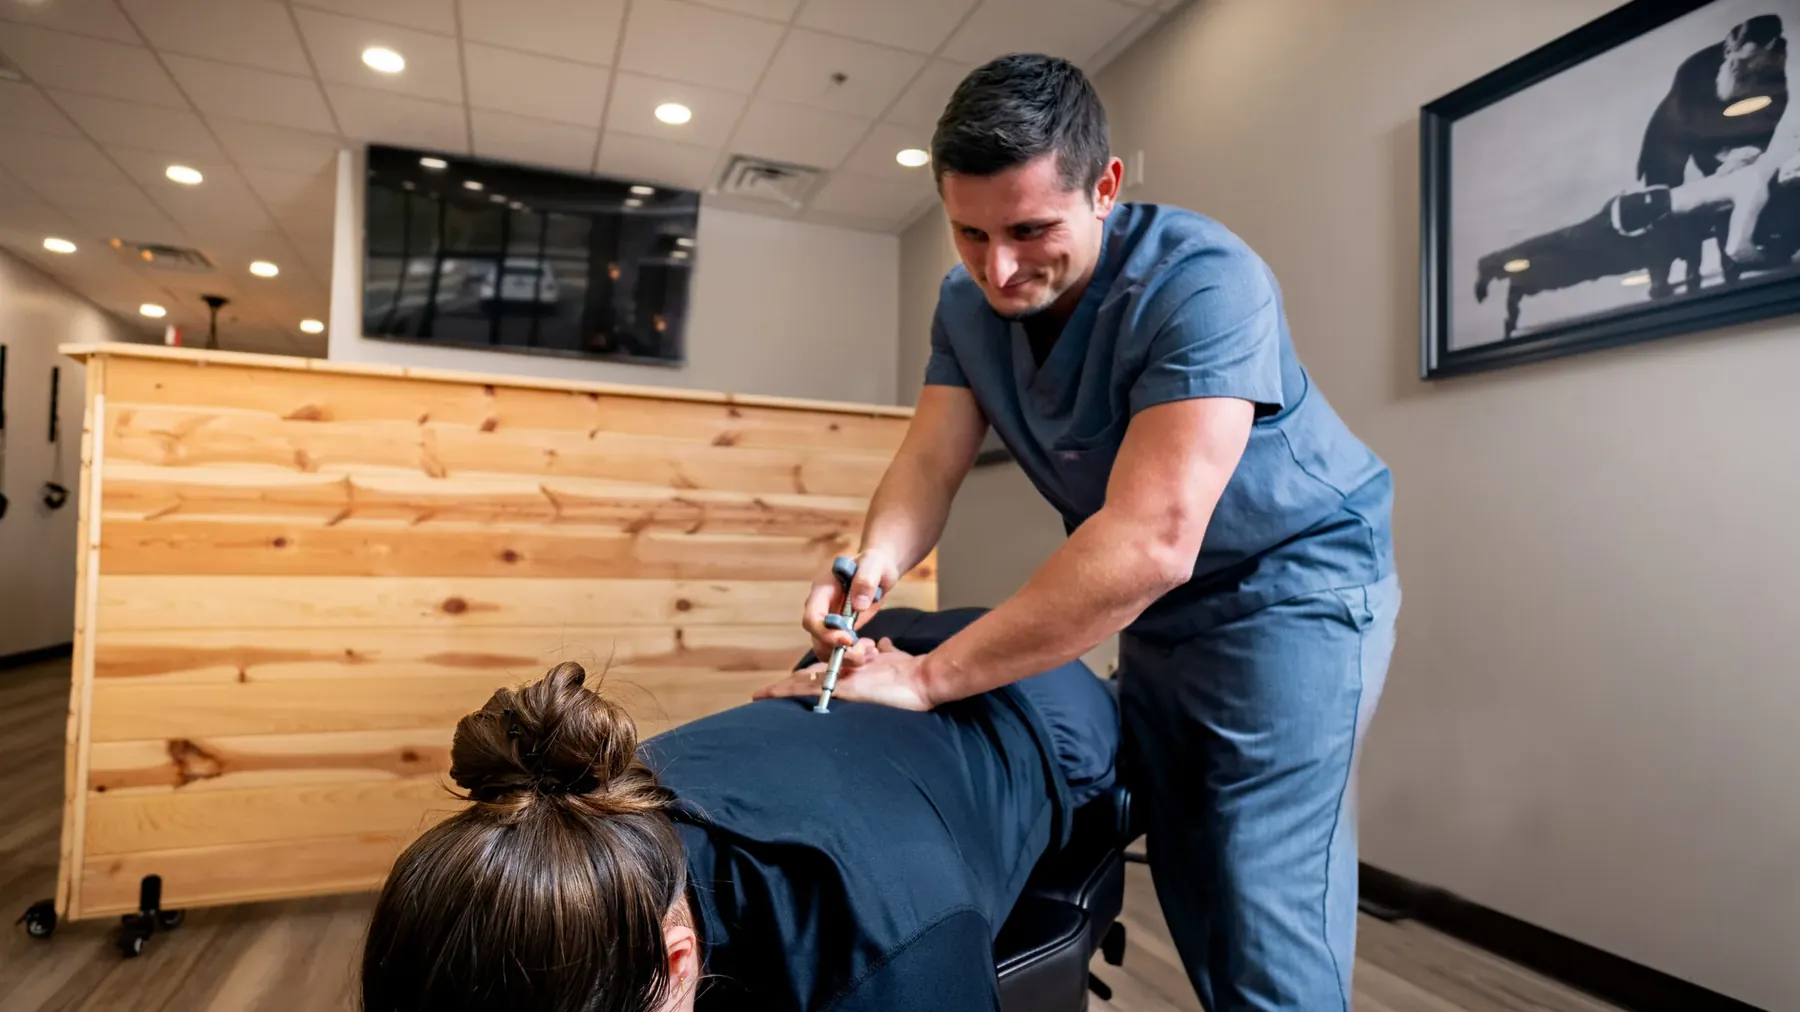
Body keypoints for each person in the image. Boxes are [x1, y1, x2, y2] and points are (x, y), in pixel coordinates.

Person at [756, 54, 1401, 1011]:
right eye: (969, 232)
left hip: (1291, 589)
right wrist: (872, 567)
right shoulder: (965, 303)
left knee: (1261, 894)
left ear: (1105, 188)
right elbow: (931, 461)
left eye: (1029, 230)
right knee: (1187, 863)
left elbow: (1150, 540)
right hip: (1165, 609)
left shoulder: (1205, 282)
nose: (998, 267)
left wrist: (928, 678)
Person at [357, 606, 1119, 1012]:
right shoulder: (583, 806)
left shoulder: (892, 959)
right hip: (853, 667)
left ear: (678, 964)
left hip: (1035, 699)